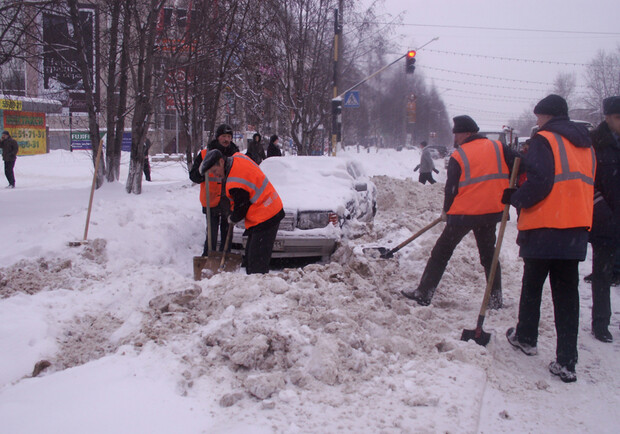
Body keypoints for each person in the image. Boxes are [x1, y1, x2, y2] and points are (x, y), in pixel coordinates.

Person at [503, 94, 594, 383]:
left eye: (539, 116)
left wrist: (516, 197)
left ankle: (527, 337)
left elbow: (541, 182)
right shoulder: (586, 144)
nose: (537, 121)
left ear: (548, 116)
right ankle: (567, 361)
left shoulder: (545, 139)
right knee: (567, 295)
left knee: (533, 285)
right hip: (575, 228)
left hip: (545, 226)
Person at [401, 115, 518, 309]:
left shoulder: (459, 155)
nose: (455, 139)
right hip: (491, 212)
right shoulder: (498, 147)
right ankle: (495, 298)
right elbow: (518, 164)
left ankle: (424, 292)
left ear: (468, 133)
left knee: (441, 252)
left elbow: (451, 188)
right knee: (490, 255)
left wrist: (447, 211)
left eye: (457, 134)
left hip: (464, 214)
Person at [200, 149, 285, 274]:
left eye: (215, 170)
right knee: (251, 258)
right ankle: (255, 283)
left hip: (266, 215)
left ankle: (259, 288)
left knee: (256, 263)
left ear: (221, 162)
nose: (215, 175)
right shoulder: (238, 157)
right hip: (268, 208)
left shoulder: (235, 181)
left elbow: (242, 207)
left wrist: (232, 218)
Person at [585, 95, 620, 342]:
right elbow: (587, 181)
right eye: (618, 118)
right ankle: (601, 323)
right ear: (607, 118)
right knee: (603, 273)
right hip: (605, 219)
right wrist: (603, 212)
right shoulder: (594, 143)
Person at [189, 124, 240, 256]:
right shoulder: (205, 154)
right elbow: (193, 175)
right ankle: (207, 259)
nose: (226, 139)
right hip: (211, 200)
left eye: (229, 137)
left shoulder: (236, 155)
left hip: (228, 201)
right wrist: (202, 173)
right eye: (224, 136)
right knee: (211, 236)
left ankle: (224, 261)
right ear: (218, 137)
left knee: (227, 236)